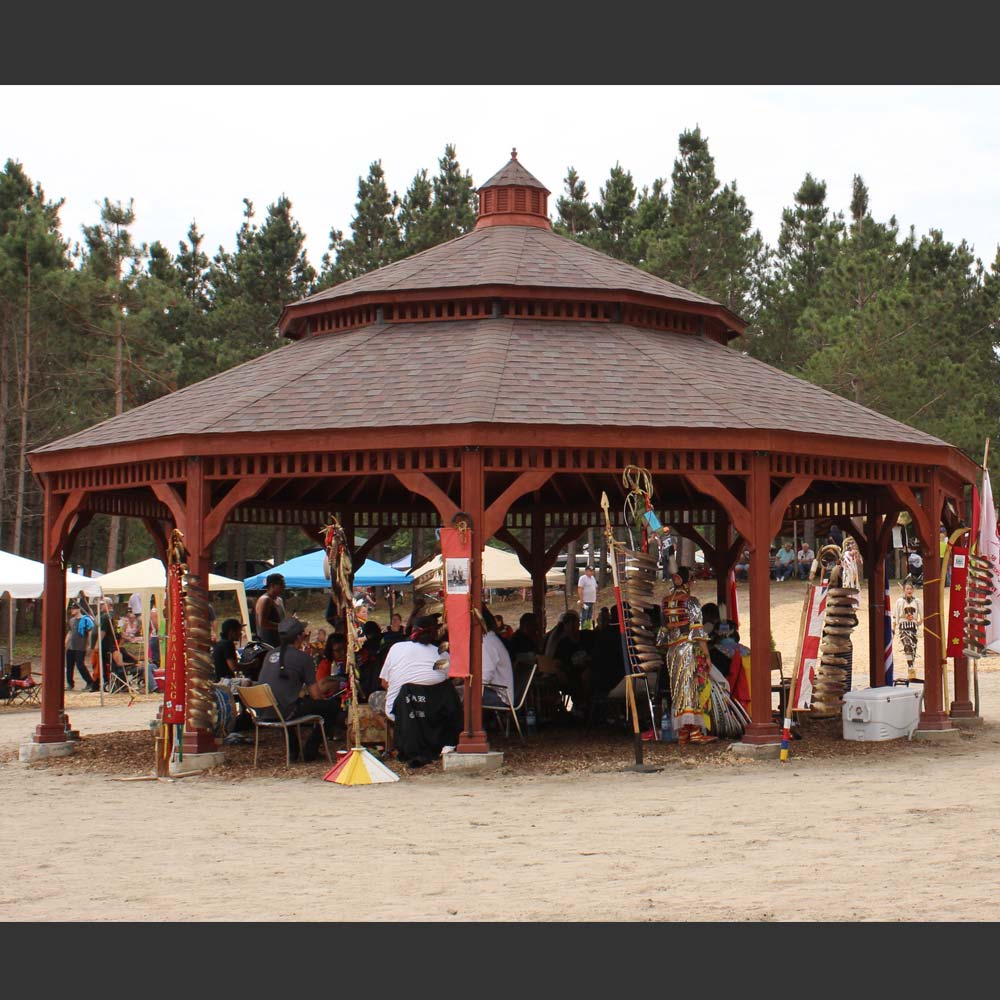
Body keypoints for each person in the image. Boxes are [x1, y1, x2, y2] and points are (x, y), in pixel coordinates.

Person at [256, 617, 344, 760]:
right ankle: (310, 750)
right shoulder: (303, 658)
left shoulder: (269, 654)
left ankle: (293, 750)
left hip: (263, 710)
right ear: (299, 637)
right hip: (286, 711)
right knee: (330, 707)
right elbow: (316, 695)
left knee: (286, 701)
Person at [373, 615, 450, 722]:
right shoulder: (444, 655)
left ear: (413, 630)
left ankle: (395, 734)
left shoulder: (396, 648)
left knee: (374, 698)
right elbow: (446, 684)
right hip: (433, 714)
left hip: (400, 714)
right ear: (436, 634)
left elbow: (384, 684)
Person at [481, 607, 515, 708]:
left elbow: (484, 677)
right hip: (495, 690)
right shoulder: (489, 638)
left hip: (500, 697)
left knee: (459, 697)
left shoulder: (486, 642)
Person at [892, 579, 923, 680]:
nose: (909, 590)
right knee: (907, 646)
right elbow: (895, 616)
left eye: (911, 589)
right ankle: (910, 666)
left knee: (913, 649)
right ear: (904, 590)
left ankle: (911, 666)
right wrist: (893, 628)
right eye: (907, 589)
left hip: (913, 627)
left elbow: (922, 615)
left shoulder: (917, 601)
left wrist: (920, 621)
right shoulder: (899, 602)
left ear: (913, 590)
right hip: (903, 627)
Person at [64, 603, 96, 690]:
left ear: (78, 609)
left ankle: (89, 681)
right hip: (71, 646)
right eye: (71, 609)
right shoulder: (72, 620)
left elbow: (90, 633)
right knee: (69, 665)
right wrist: (65, 642)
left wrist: (89, 645)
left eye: (74, 609)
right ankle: (70, 683)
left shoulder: (86, 620)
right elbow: (70, 632)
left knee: (80, 665)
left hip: (80, 646)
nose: (72, 610)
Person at [254, 573, 286, 647]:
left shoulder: (279, 599)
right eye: (281, 584)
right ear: (272, 585)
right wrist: (283, 626)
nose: (284, 586)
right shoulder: (265, 600)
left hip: (279, 640)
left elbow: (280, 619)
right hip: (268, 642)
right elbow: (263, 623)